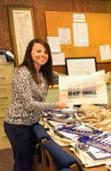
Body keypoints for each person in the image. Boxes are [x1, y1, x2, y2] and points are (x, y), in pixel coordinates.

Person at [4, 38, 68, 171]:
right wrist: (56, 105)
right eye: (38, 51)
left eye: (45, 52)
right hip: (18, 125)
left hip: (31, 123)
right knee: (23, 165)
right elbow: (29, 104)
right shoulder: (22, 73)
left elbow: (67, 80)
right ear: (30, 53)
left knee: (30, 162)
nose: (42, 54)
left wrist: (92, 79)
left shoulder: (44, 72)